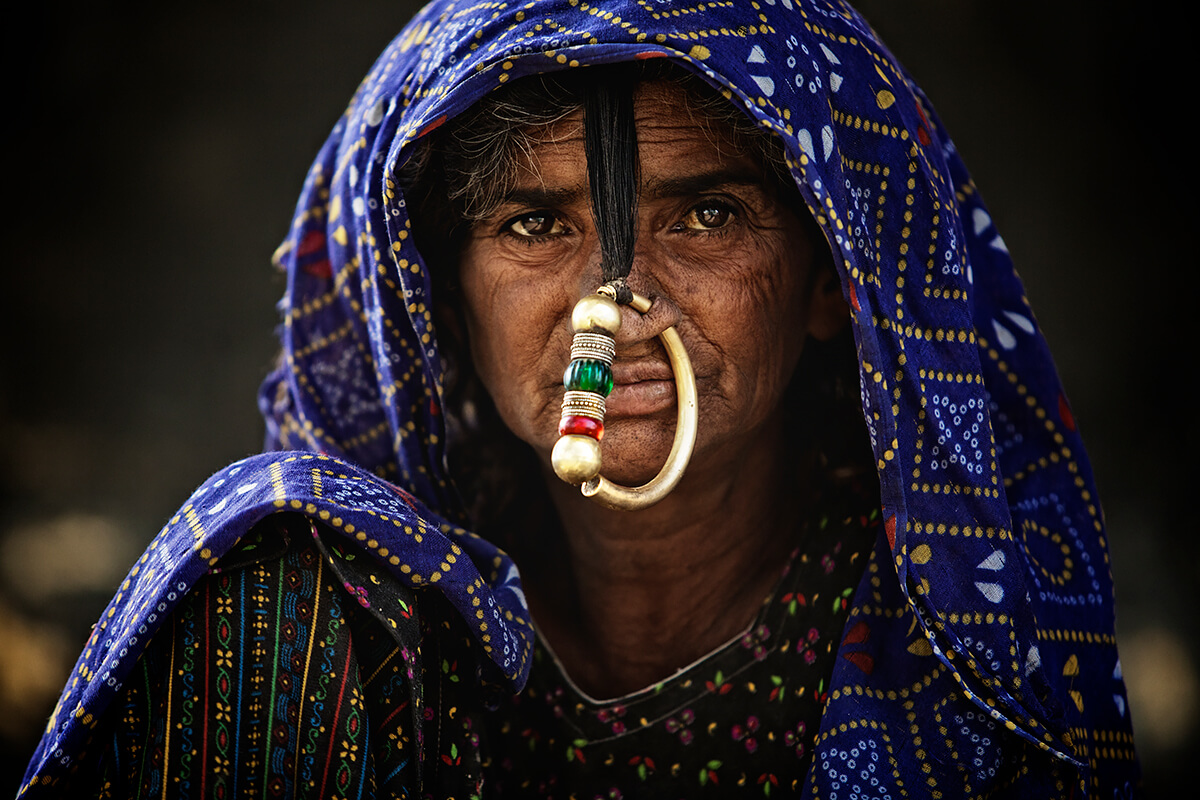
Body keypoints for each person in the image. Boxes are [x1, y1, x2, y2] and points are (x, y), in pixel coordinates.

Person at [20, 1, 1139, 797]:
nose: (618, 302)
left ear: (828, 281)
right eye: (534, 225)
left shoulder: (953, 654)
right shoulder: (329, 622)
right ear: (443, 304)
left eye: (705, 216)